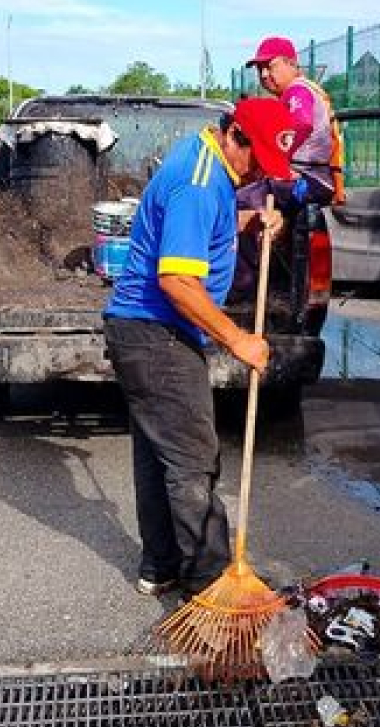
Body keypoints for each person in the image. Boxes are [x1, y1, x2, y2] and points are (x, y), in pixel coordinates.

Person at [103, 98, 294, 597]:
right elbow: (178, 280)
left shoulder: (204, 159)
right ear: (235, 136)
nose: (258, 174)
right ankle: (212, 585)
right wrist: (238, 341)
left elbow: (200, 231)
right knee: (193, 458)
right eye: (257, 160)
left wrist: (251, 219)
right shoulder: (199, 183)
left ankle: (160, 566)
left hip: (140, 331)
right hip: (156, 334)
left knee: (160, 455)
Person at [245, 35, 347, 208]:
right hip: (316, 180)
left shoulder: (297, 91)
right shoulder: (299, 91)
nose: (263, 75)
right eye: (259, 69)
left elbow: (301, 124)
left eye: (269, 67)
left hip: (310, 180)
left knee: (237, 201)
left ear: (291, 64)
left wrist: (277, 163)